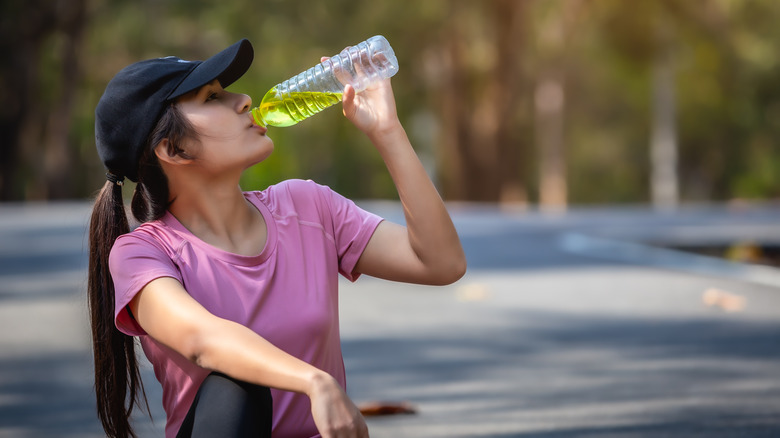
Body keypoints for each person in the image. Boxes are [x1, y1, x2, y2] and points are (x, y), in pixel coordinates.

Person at [88, 38, 466, 438]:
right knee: (234, 385)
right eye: (213, 97)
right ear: (173, 148)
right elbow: (203, 339)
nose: (245, 99)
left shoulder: (306, 206)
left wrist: (387, 131)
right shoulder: (142, 253)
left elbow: (440, 263)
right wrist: (313, 381)